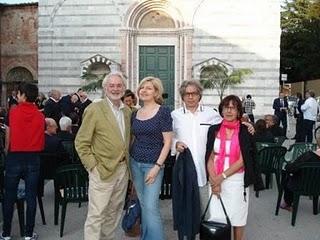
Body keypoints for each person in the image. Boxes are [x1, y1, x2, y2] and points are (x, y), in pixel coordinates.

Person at [75, 72, 131, 240]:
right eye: (112, 86)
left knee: (114, 213)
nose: (115, 89)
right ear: (105, 88)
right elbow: (81, 142)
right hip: (102, 170)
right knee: (97, 214)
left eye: (119, 85)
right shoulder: (94, 109)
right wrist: (93, 166)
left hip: (122, 170)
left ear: (124, 88)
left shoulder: (127, 111)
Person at [205, 95, 262, 240]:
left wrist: (221, 178)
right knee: (217, 219)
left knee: (238, 219)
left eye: (233, 107)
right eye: (226, 107)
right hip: (215, 177)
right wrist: (214, 180)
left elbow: (243, 159)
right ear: (221, 109)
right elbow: (210, 156)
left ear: (238, 111)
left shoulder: (245, 131)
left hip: (236, 180)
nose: (229, 111)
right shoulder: (213, 130)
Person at [130, 76, 173, 240]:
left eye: (149, 88)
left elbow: (167, 142)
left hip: (153, 165)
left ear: (156, 92)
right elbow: (133, 139)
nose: (144, 90)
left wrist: (157, 167)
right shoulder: (135, 113)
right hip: (135, 163)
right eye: (142, 87)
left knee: (151, 206)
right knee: (143, 204)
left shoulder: (163, 112)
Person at [1, 83, 45, 240]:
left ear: (23, 95)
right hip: (33, 157)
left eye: (18, 93)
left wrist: (7, 152)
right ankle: (28, 234)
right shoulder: (40, 115)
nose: (17, 96)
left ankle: (6, 234)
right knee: (31, 196)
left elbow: (8, 135)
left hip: (15, 156)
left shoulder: (13, 112)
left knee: (9, 196)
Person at [171, 80, 222, 215]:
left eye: (194, 93)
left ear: (200, 95)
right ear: (182, 96)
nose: (190, 97)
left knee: (207, 209)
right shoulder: (175, 115)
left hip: (205, 167)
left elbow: (227, 129)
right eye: (187, 94)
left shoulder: (212, 114)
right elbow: (169, 137)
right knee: (187, 209)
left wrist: (247, 125)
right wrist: (175, 144)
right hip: (185, 168)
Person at [280, 127, 320, 211]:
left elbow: (292, 168)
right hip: (317, 184)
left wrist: (288, 166)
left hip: (303, 185)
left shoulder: (308, 156)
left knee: (287, 175)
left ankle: (287, 202)